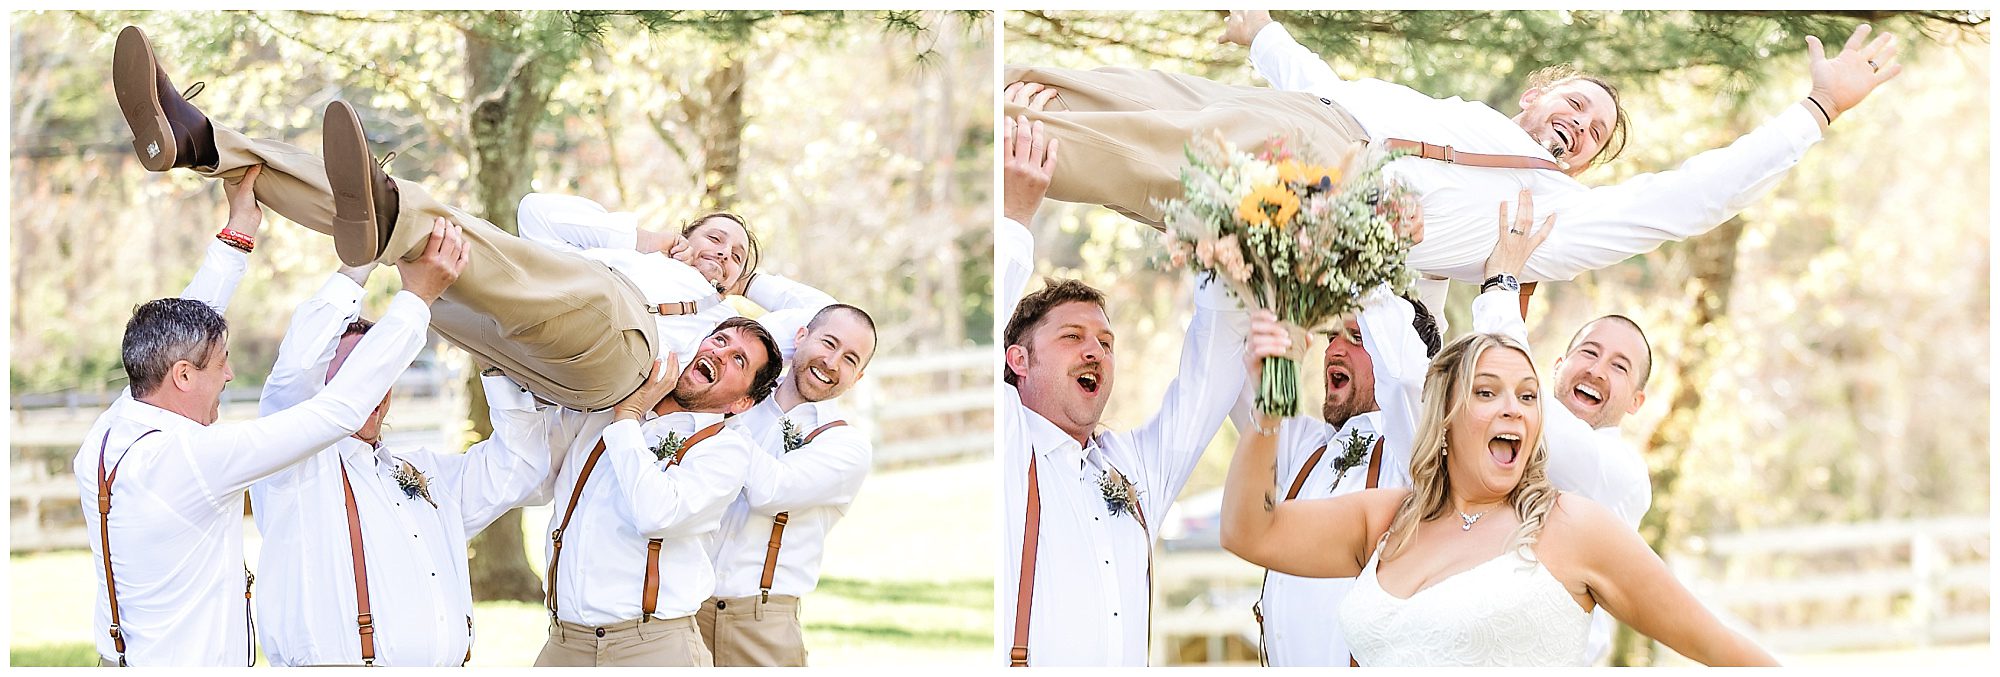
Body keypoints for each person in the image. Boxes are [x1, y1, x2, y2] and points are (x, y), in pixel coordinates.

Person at [1003, 11, 1903, 314]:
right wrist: (1266, 30)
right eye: (1577, 105)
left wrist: (1815, 111)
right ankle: (993, 106)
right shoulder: (1469, 120)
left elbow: (1688, 198)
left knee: (1113, 152)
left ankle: (1008, 173)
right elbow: (1348, 98)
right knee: (1079, 90)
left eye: (1595, 135)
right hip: (1300, 114)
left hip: (1324, 196)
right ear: (1536, 99)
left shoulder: (1549, 221)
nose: (1582, 127)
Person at [111, 25, 771, 412]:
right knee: (417, 232)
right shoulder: (638, 253)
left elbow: (812, 319)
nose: (722, 254)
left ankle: (371, 200)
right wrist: (648, 240)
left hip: (619, 352)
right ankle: (202, 144)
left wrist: (731, 288)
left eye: (735, 258)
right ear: (683, 233)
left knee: (423, 218)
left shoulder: (724, 319)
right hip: (526, 347)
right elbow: (538, 213)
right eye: (715, 236)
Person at [73, 165, 467, 666]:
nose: (231, 375)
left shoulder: (115, 425)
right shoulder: (197, 459)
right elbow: (335, 411)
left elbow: (187, 320)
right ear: (184, 377)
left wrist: (240, 231)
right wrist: (416, 300)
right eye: (220, 365)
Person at [1218, 327, 1778, 666]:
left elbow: (1721, 647)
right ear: (1445, 417)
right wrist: (1271, 402)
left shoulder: (1570, 528)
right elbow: (1249, 531)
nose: (1514, 408)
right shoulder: (1388, 519)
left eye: (1528, 395)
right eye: (1487, 392)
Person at [998, 115, 1251, 666]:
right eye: (1072, 336)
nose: (1095, 351)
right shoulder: (1004, 443)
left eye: (1106, 342)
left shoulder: (1132, 469)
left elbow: (1208, 376)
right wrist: (1016, 214)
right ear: (1018, 359)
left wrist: (1222, 246)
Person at [246, 260, 559, 666]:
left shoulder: (420, 471)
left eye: (381, 373)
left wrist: (494, 359)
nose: (373, 389)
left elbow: (518, 467)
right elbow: (293, 372)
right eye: (356, 375)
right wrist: (364, 263)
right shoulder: (294, 466)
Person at [1470, 190, 1657, 664]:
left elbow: (1540, 421)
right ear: (1558, 366)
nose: (1596, 370)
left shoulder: (1619, 473)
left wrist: (1501, 286)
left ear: (1636, 401)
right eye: (1589, 352)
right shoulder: (1498, 442)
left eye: (1619, 367)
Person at [531, 318, 784, 667]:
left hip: (653, 647)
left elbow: (657, 514)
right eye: (720, 340)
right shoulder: (604, 406)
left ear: (742, 402)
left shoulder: (726, 450)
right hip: (563, 643)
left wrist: (628, 418)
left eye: (740, 360)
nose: (722, 353)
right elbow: (534, 481)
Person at [1233, 291, 1439, 666]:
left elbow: (1407, 378)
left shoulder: (1415, 453)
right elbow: (1236, 370)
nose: (1334, 351)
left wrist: (1362, 260)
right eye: (1332, 337)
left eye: (1358, 338)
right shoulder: (1305, 444)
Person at [701, 304, 880, 666]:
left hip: (762, 624)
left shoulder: (847, 446)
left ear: (857, 378)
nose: (832, 362)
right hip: (682, 608)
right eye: (828, 342)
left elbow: (771, 491)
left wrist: (723, 413)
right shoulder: (740, 396)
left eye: (850, 359)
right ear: (800, 337)